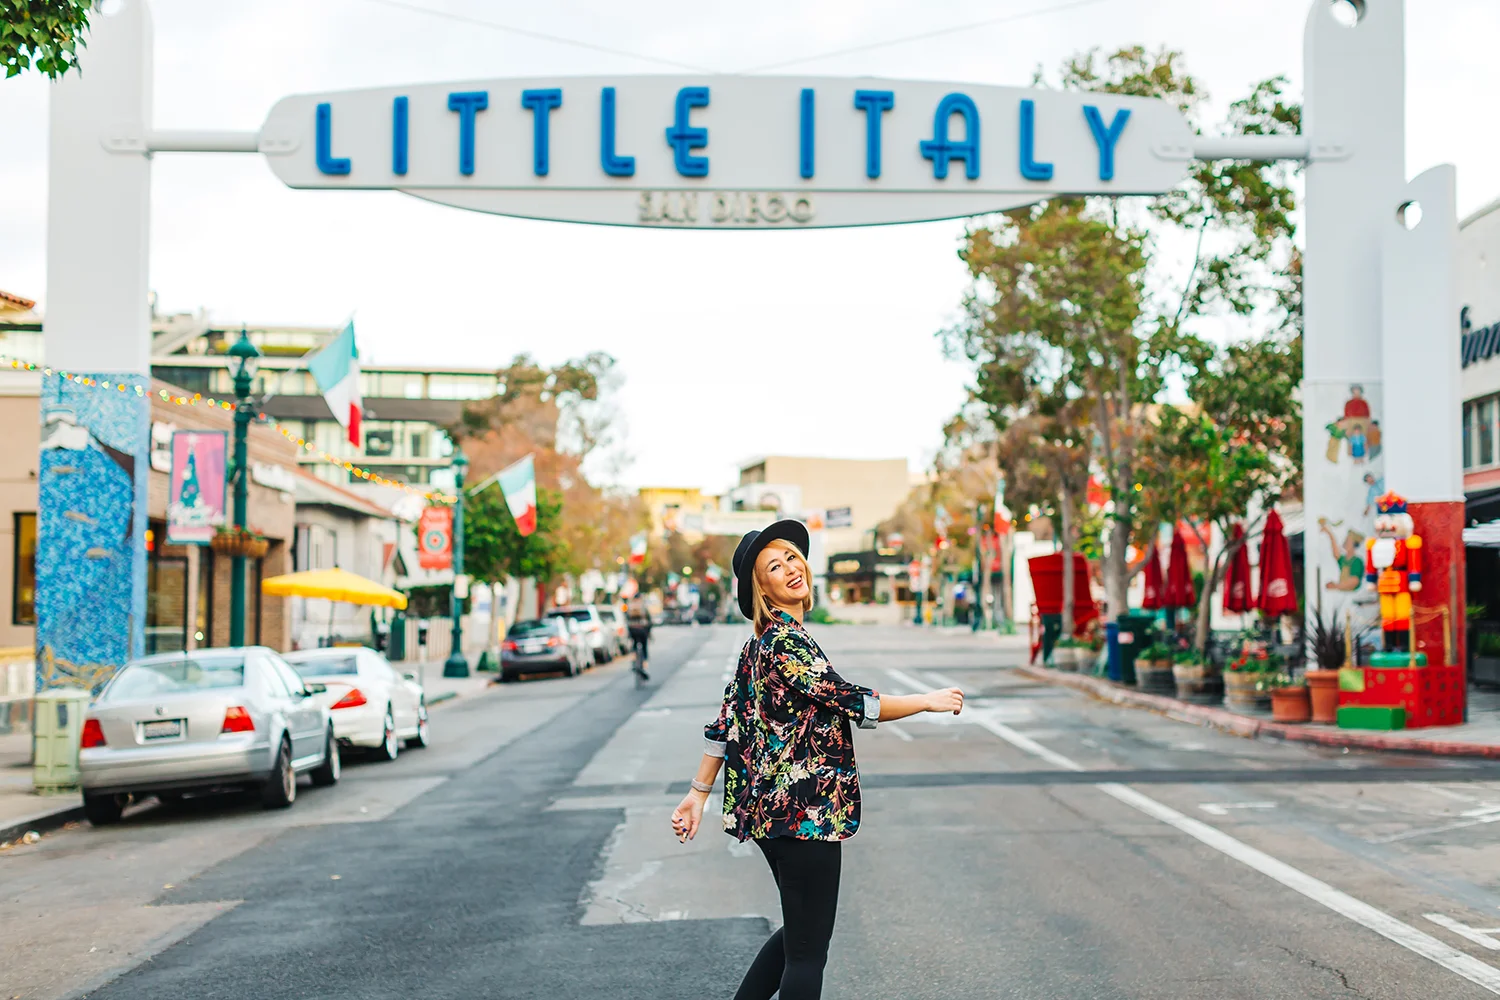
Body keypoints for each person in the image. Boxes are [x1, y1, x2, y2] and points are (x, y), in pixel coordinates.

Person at [670, 519, 964, 1000]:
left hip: (773, 818)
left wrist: (697, 795)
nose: (789, 569)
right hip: (803, 815)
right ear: (761, 589)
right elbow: (848, 699)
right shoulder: (785, 643)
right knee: (807, 953)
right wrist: (925, 701)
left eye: (791, 557)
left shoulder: (757, 647)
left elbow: (725, 725)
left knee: (799, 935)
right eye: (773, 567)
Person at [625, 596, 652, 680]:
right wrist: (649, 633)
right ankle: (644, 666)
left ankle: (633, 661)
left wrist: (629, 632)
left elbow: (626, 619)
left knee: (634, 645)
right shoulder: (643, 607)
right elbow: (649, 621)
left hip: (633, 630)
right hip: (642, 630)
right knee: (644, 648)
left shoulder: (629, 606)